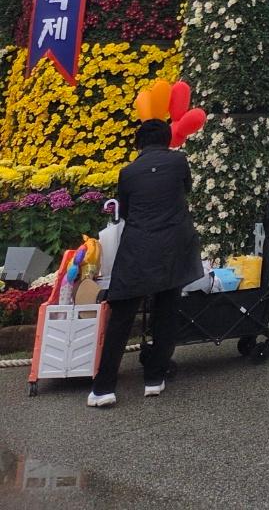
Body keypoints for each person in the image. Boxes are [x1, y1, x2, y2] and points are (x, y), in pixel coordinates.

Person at [87, 119, 202, 407]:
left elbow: (124, 210)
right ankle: (154, 378)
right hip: (173, 247)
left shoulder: (127, 172)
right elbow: (185, 190)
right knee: (166, 313)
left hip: (138, 249)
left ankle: (104, 388)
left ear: (139, 142)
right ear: (167, 139)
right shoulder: (179, 162)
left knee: (122, 316)